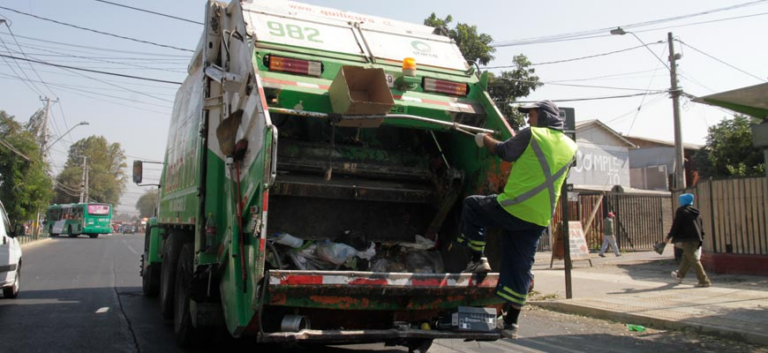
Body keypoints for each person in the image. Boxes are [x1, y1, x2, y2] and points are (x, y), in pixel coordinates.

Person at [456, 100, 577, 339]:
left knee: (473, 206)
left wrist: (484, 140)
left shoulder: (534, 134)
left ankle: (477, 259)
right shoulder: (571, 146)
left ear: (542, 116)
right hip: (540, 218)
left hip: (514, 206)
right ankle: (511, 324)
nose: (527, 120)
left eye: (530, 115)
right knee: (519, 266)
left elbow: (505, 152)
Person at [666, 193, 711, 287]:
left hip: (688, 239)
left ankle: (704, 280)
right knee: (687, 257)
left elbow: (676, 225)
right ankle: (679, 275)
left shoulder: (681, 210)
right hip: (697, 239)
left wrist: (669, 236)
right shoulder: (696, 212)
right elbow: (701, 226)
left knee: (693, 259)